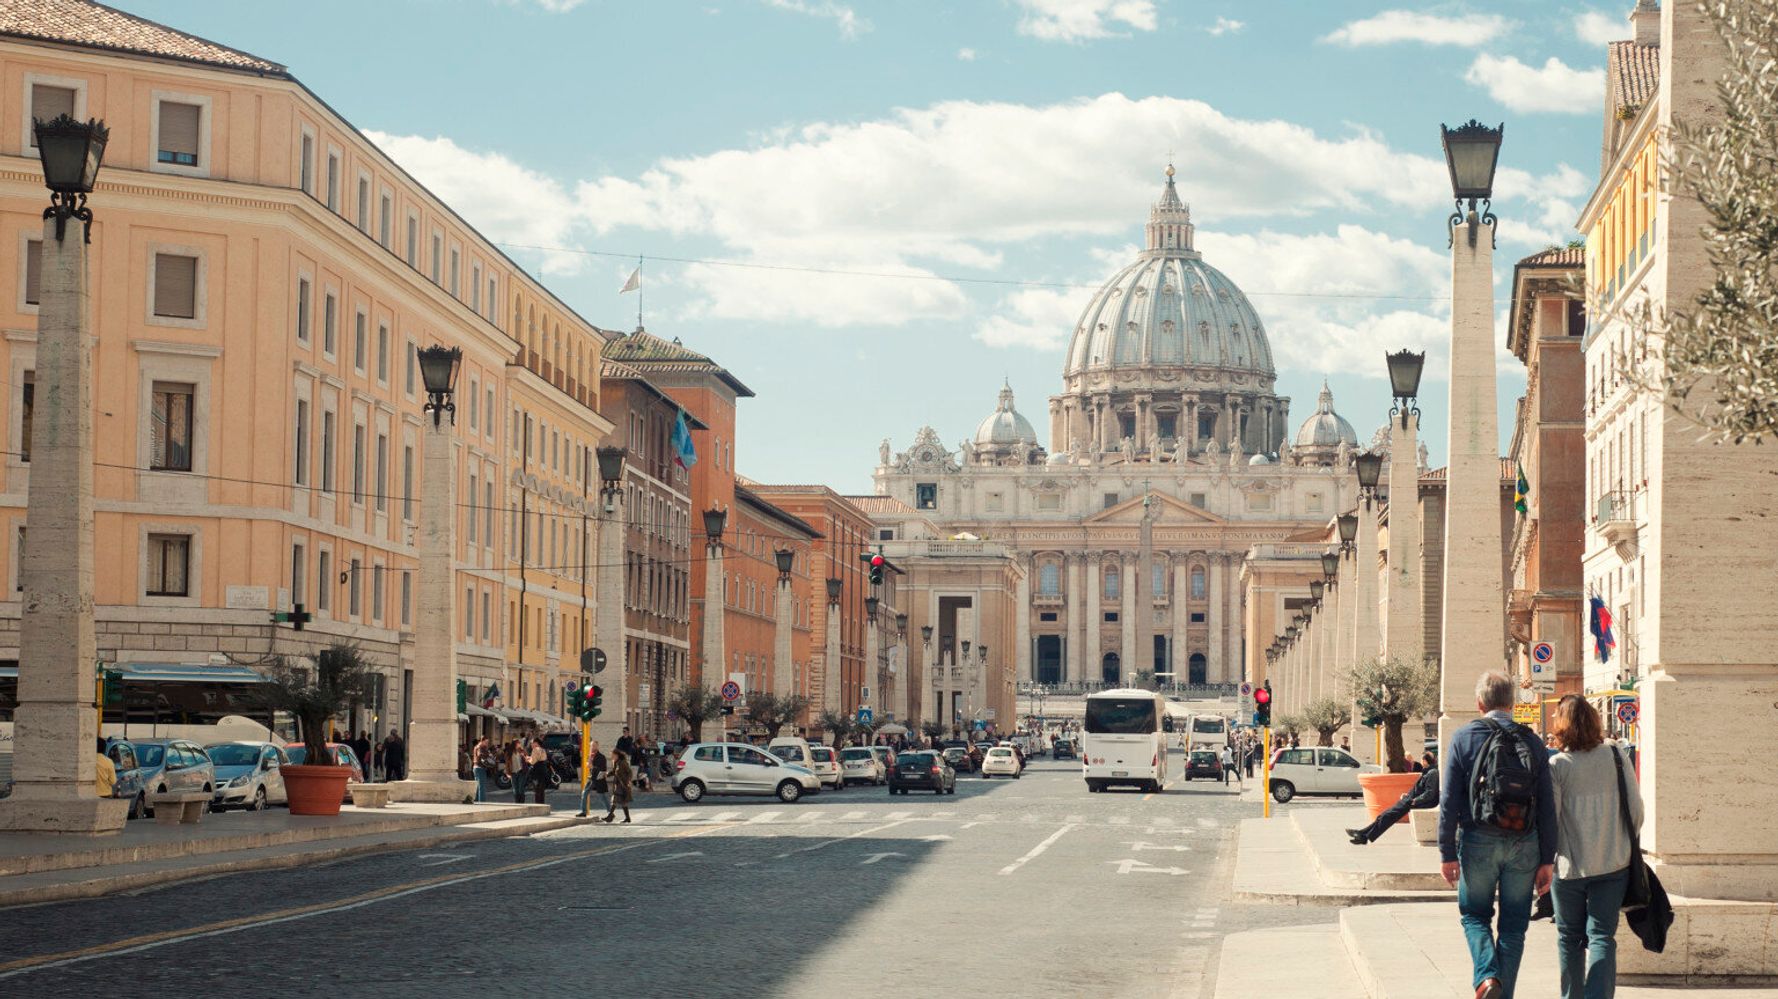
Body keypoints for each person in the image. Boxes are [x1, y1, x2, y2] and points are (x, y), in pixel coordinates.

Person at [1439, 672, 1556, 999]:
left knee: (1474, 915)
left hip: (1478, 839)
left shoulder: (1464, 738)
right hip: (1525, 843)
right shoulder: (1532, 741)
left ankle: (1487, 976)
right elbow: (1547, 804)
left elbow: (1449, 799)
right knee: (1514, 928)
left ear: (1480, 703)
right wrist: (1548, 858)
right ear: (1513, 703)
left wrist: (1446, 851)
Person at [1549, 695, 1642, 999]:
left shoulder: (1558, 765)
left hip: (1570, 867)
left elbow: (1552, 819)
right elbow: (1636, 811)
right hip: (1613, 863)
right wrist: (1620, 842)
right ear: (1593, 720)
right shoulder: (1615, 755)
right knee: (1602, 936)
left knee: (1569, 938)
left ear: (1562, 726)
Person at [1349, 753, 1440, 844]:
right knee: (1384, 815)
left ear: (1424, 761)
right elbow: (1420, 790)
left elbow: (1429, 793)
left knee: (1388, 816)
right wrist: (1407, 795)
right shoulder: (1428, 771)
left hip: (1415, 802)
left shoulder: (1432, 773)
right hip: (1410, 799)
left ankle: (1363, 835)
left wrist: (1415, 800)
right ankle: (1363, 835)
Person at [578, 741, 609, 819]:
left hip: (598, 779)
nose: (592, 747)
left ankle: (610, 812)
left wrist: (592, 767)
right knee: (584, 793)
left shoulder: (601, 757)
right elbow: (590, 766)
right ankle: (583, 812)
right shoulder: (590, 756)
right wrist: (588, 766)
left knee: (602, 796)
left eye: (594, 746)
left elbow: (602, 769)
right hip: (591, 778)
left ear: (598, 747)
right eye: (591, 746)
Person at [604, 750, 633, 823]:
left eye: (613, 755)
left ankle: (610, 816)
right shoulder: (615, 762)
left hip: (623, 784)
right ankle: (627, 818)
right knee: (623, 802)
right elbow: (614, 771)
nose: (611, 757)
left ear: (617, 755)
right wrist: (607, 774)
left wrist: (629, 780)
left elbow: (629, 772)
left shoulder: (623, 762)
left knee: (615, 799)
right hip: (618, 784)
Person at [471, 736, 495, 803]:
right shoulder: (481, 746)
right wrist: (489, 755)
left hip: (475, 767)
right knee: (482, 786)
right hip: (480, 767)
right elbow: (481, 755)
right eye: (486, 742)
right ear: (483, 741)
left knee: (477, 785)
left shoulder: (476, 746)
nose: (487, 743)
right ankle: (482, 801)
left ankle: (476, 800)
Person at [528, 738, 550, 804]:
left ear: (536, 743)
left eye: (532, 743)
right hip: (543, 769)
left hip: (537, 770)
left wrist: (528, 759)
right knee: (541, 789)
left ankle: (537, 804)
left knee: (537, 789)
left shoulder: (535, 749)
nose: (531, 744)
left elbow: (533, 761)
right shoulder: (543, 750)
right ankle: (542, 803)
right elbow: (542, 759)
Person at [508, 739, 529, 804]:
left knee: (521, 789)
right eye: (518, 743)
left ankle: (522, 803)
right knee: (515, 790)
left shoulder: (522, 751)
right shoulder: (510, 752)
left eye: (519, 743)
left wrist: (524, 755)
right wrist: (507, 773)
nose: (519, 744)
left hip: (521, 772)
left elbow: (527, 759)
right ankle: (517, 803)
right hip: (513, 772)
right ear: (514, 744)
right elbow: (507, 763)